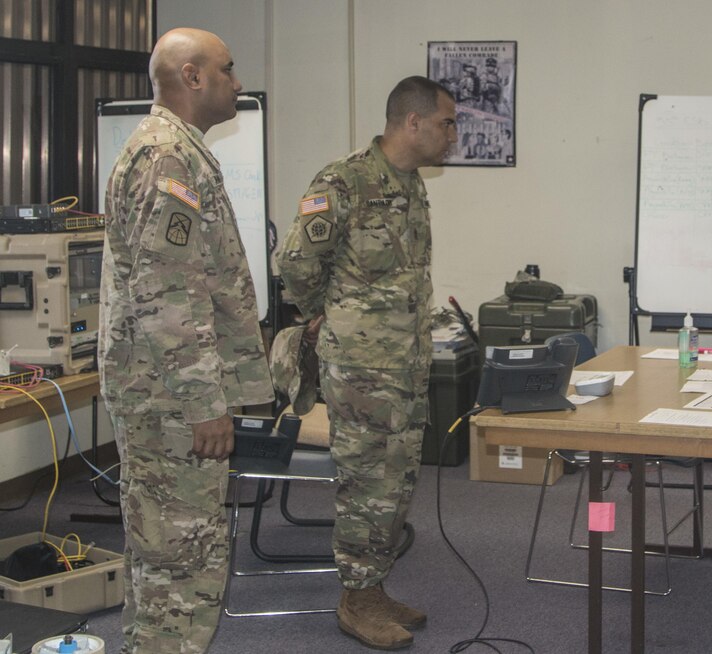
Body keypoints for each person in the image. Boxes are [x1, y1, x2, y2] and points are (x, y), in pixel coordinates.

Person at [98, 28, 273, 653]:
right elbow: (167, 293)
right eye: (228, 69)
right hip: (170, 398)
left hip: (162, 388)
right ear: (193, 76)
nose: (238, 81)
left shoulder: (177, 151)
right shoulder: (167, 157)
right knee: (183, 559)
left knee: (163, 550)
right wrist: (204, 401)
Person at [276, 75, 456, 650]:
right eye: (447, 123)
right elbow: (296, 262)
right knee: (363, 484)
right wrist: (321, 313)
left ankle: (373, 588)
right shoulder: (343, 181)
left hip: (406, 366)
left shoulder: (410, 186)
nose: (453, 135)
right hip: (360, 371)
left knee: (396, 480)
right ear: (413, 122)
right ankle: (355, 599)